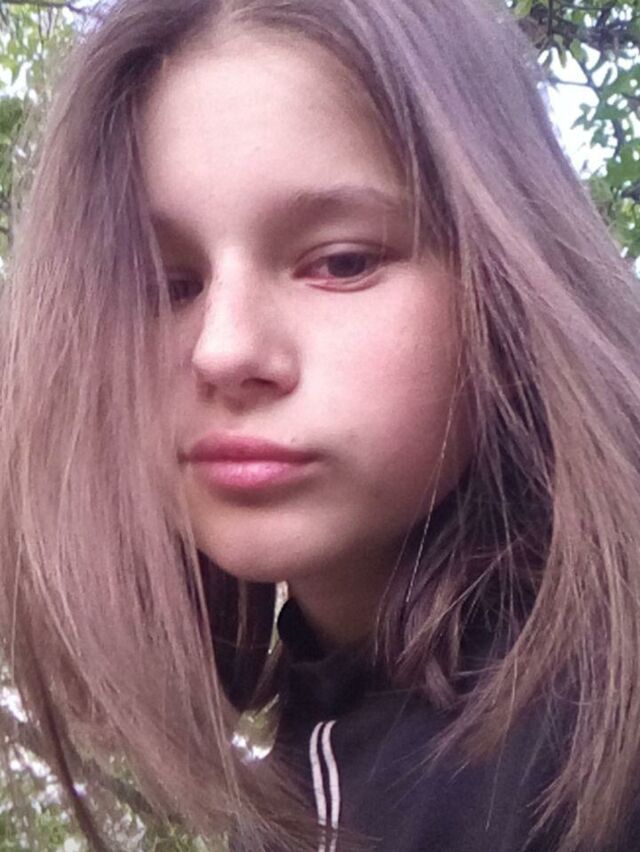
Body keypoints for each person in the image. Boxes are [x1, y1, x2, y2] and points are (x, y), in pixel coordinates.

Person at [1, 0, 639, 849]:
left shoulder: (601, 738)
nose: (224, 351)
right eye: (168, 286)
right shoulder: (296, 782)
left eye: (340, 263)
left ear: (512, 281)